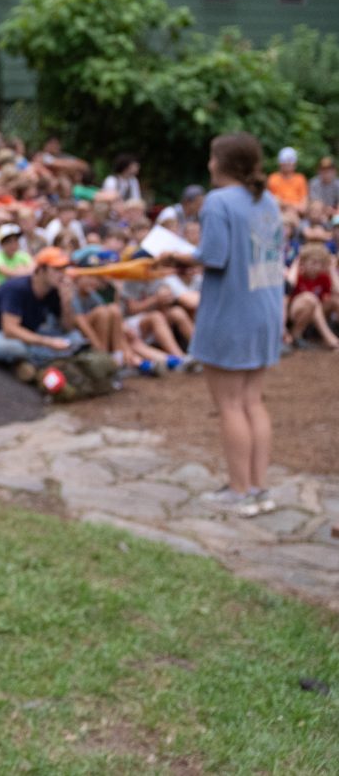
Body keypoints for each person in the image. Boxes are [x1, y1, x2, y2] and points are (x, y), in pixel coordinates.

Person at [158, 133, 285, 517]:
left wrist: (174, 257)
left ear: (224, 163)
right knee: (253, 402)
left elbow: (213, 256)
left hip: (232, 312)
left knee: (229, 405)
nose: (209, 164)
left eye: (213, 158)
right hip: (266, 308)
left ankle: (238, 490)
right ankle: (259, 488)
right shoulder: (267, 199)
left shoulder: (218, 201)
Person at [0, 246, 86, 371]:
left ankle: (34, 360)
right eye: (57, 269)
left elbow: (67, 327)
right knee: (16, 348)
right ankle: (40, 361)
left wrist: (66, 303)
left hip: (27, 334)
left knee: (76, 337)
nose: (62, 274)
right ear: (41, 270)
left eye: (64, 269)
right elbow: (10, 329)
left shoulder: (53, 290)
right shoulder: (18, 288)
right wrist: (48, 342)